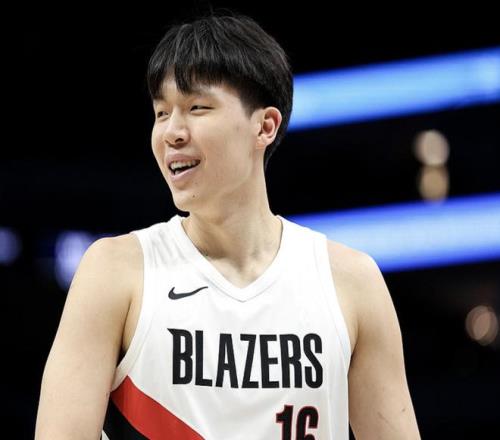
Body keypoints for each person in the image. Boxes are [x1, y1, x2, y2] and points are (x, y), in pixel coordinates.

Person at [35, 11, 421, 440]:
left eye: (196, 108)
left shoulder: (351, 282)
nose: (171, 132)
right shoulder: (115, 271)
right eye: (161, 113)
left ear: (265, 126)